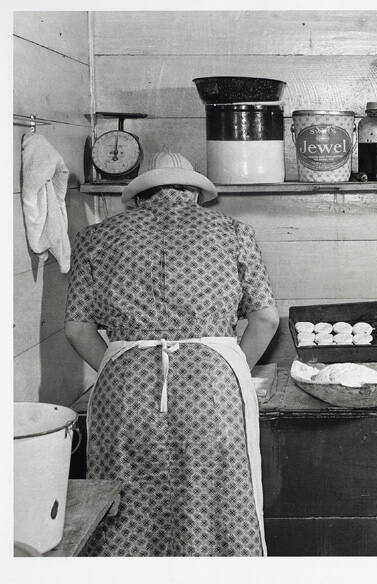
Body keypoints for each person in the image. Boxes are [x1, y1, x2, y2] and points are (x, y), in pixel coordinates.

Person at [64, 152, 280, 556]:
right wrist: (227, 368)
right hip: (212, 393)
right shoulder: (233, 232)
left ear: (141, 197)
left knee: (123, 507)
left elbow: (77, 328)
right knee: (214, 504)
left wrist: (119, 365)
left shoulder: (96, 237)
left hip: (125, 395)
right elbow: (265, 319)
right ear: (195, 195)